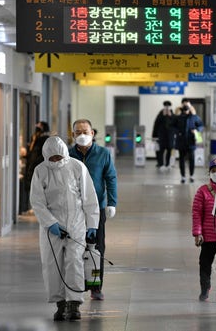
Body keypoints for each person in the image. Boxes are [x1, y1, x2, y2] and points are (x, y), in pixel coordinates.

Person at [29, 136, 100, 321]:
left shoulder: (77, 167)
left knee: (74, 262)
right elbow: (37, 201)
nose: (56, 161)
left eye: (59, 158)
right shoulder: (40, 171)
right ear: (46, 156)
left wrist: (92, 224)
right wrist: (50, 223)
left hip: (76, 223)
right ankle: (60, 304)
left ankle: (74, 303)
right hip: (52, 226)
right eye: (52, 158)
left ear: (65, 155)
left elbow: (89, 198)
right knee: (52, 264)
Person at [69, 119, 118, 301]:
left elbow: (111, 178)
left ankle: (96, 286)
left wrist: (112, 203)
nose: (82, 135)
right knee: (74, 247)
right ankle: (77, 284)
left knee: (97, 247)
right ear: (73, 135)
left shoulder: (103, 153)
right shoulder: (67, 154)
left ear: (92, 133)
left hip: (97, 208)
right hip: (73, 209)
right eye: (78, 132)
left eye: (85, 131)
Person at [192, 157, 216, 303]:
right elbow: (196, 213)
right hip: (208, 235)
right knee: (205, 262)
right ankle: (205, 287)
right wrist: (197, 233)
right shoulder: (202, 191)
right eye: (213, 171)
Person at [24, 121, 50, 211]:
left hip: (37, 165)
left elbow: (39, 153)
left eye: (39, 125)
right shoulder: (35, 137)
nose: (37, 126)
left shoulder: (44, 138)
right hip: (32, 164)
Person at [175, 105, 204, 183]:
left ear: (189, 110)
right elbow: (173, 126)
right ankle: (183, 176)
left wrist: (196, 130)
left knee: (191, 159)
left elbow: (201, 125)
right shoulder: (178, 118)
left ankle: (191, 175)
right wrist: (178, 132)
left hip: (191, 142)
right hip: (181, 142)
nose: (185, 111)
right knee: (181, 160)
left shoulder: (194, 117)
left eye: (187, 110)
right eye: (184, 110)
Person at [152, 100, 176, 172]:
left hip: (170, 137)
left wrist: (170, 116)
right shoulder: (160, 114)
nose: (167, 108)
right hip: (161, 136)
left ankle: (168, 164)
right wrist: (154, 136)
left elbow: (176, 124)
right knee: (160, 151)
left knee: (169, 150)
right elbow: (155, 125)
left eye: (168, 106)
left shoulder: (173, 115)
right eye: (166, 106)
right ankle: (161, 164)